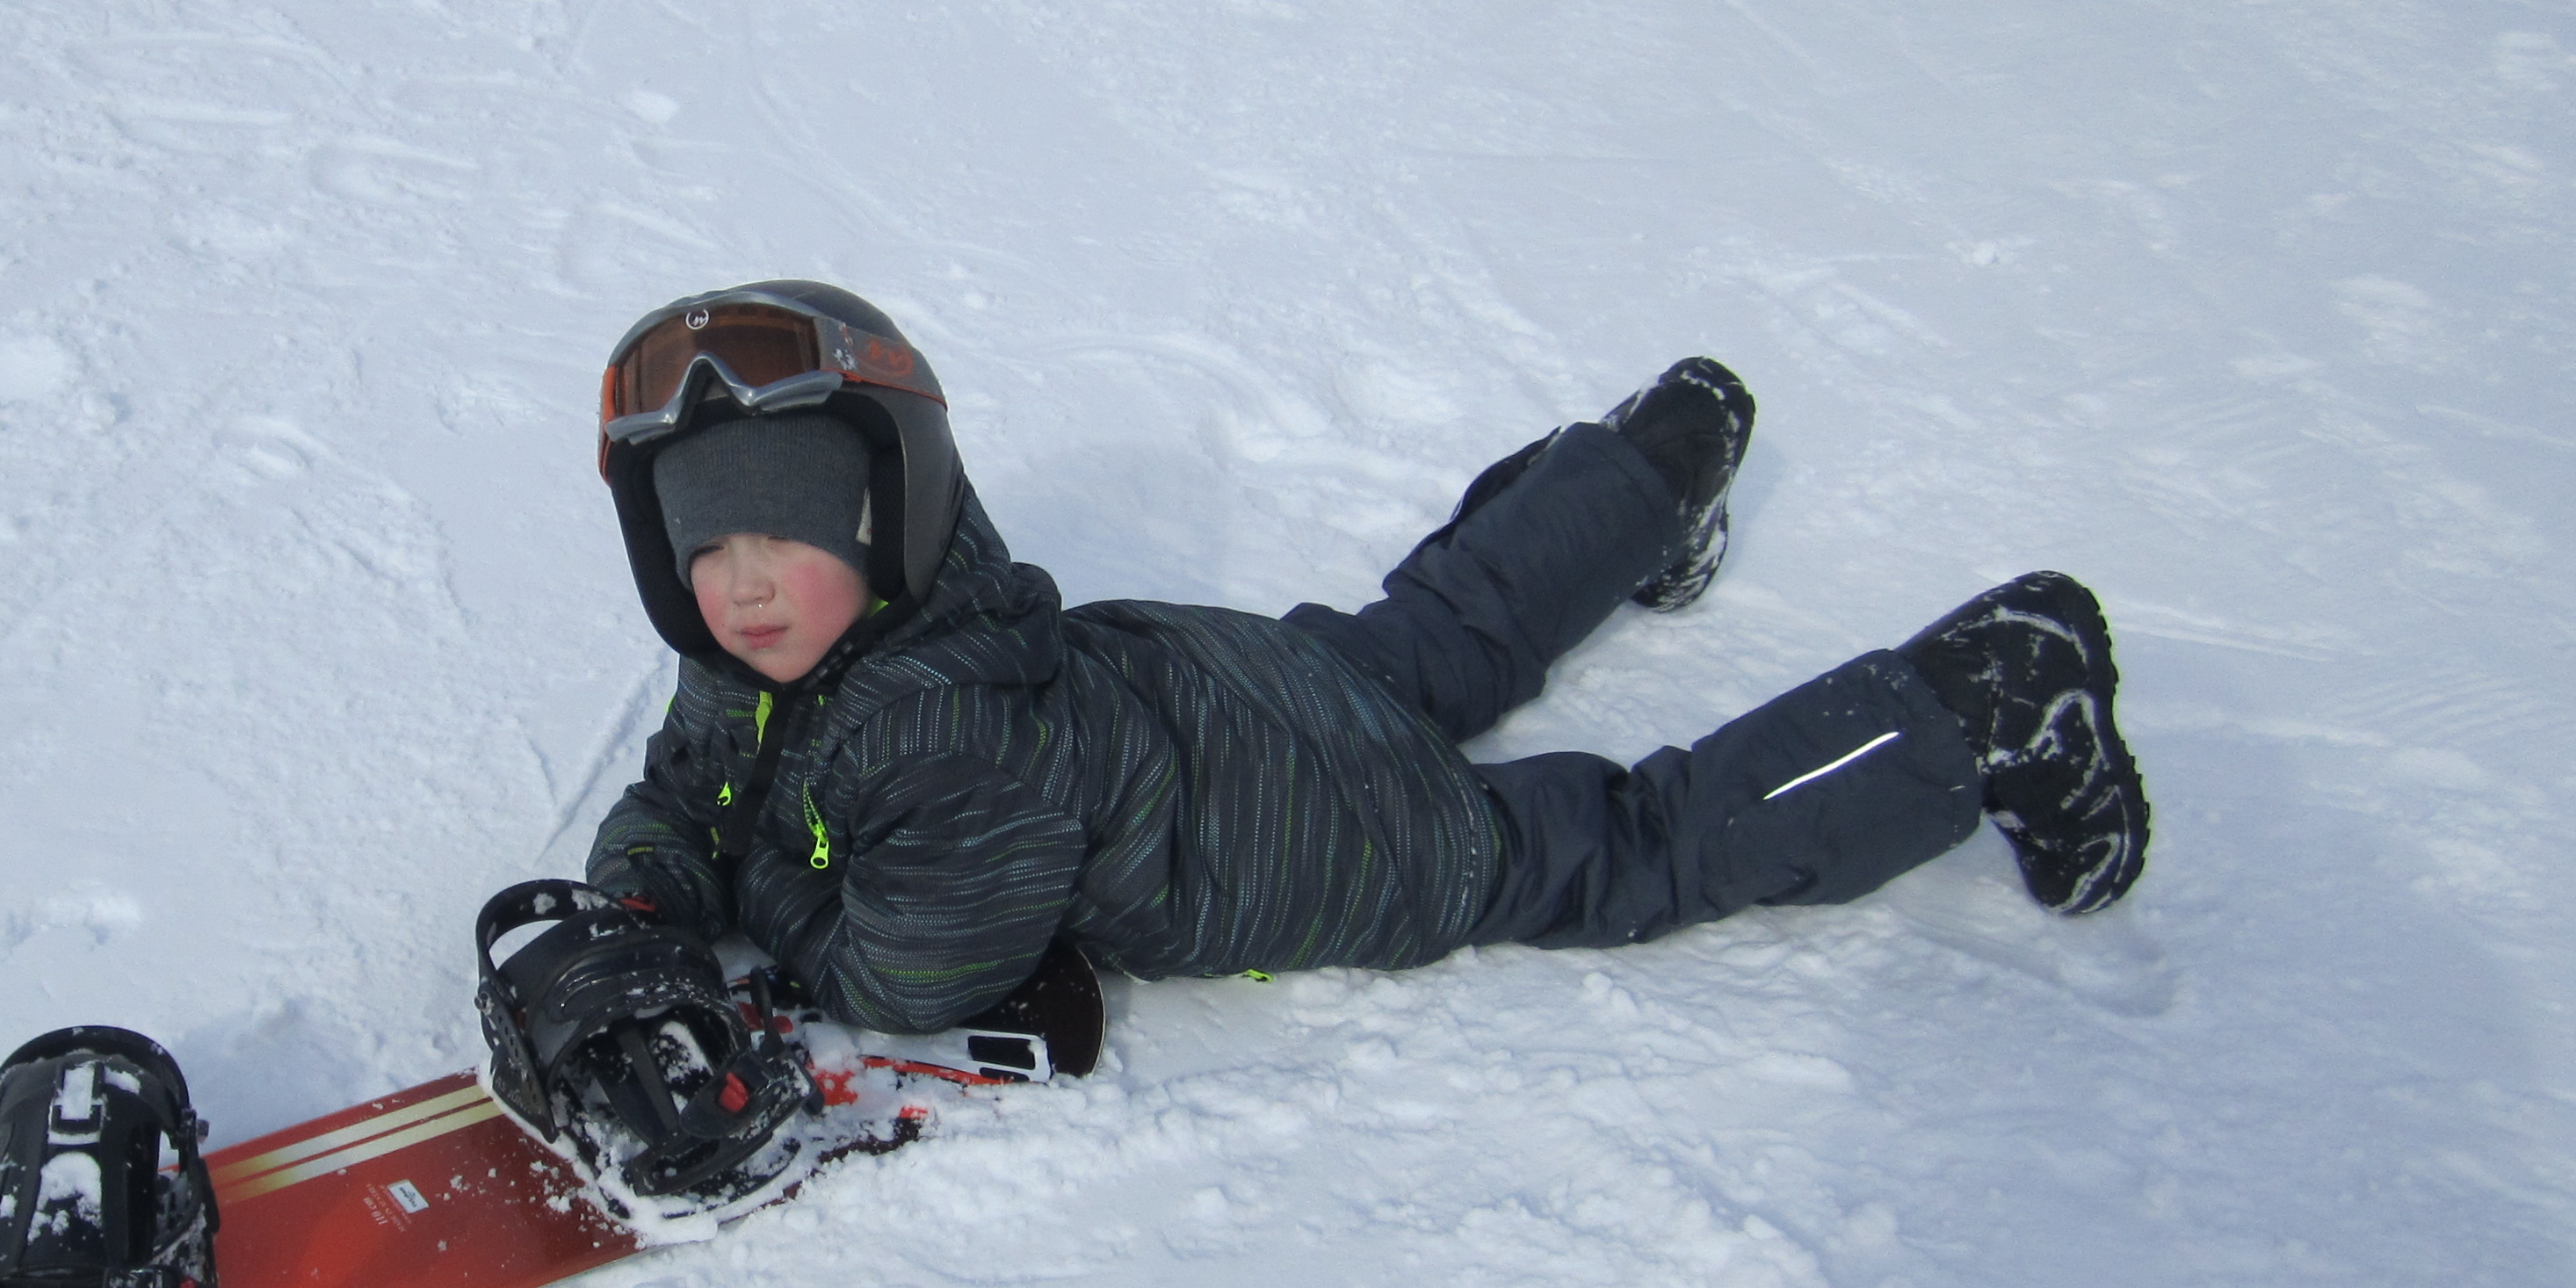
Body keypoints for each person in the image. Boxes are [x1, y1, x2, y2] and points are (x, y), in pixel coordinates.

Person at [580, 281, 2148, 1043]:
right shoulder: (771, 657)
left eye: (786, 533)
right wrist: (649, 891)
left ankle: (1979, 706)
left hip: (1313, 841)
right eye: (707, 547)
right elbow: (692, 787)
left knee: (1626, 847)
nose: (743, 585)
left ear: (896, 513)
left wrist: (765, 889)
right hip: (1242, 686)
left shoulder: (956, 749)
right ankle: (1656, 462)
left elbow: (907, 973)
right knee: (1440, 631)